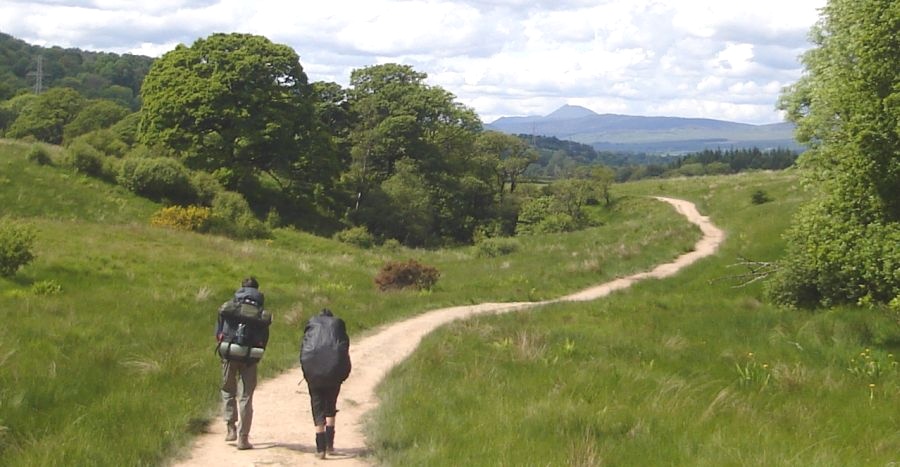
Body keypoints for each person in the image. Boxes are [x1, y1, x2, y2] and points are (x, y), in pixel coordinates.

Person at [215, 277, 271, 450]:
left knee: (228, 390)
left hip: (229, 353)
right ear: (257, 290)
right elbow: (264, 337)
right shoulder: (259, 310)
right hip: (250, 358)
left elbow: (219, 331)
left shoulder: (231, 306)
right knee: (246, 396)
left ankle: (230, 428)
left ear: (241, 288)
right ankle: (243, 438)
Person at [299, 308, 351, 459]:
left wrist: (306, 372)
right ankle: (330, 444)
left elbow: (303, 349)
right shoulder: (338, 324)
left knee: (317, 405)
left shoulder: (311, 324)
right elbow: (345, 348)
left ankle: (320, 448)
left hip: (313, 371)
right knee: (331, 404)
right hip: (334, 371)